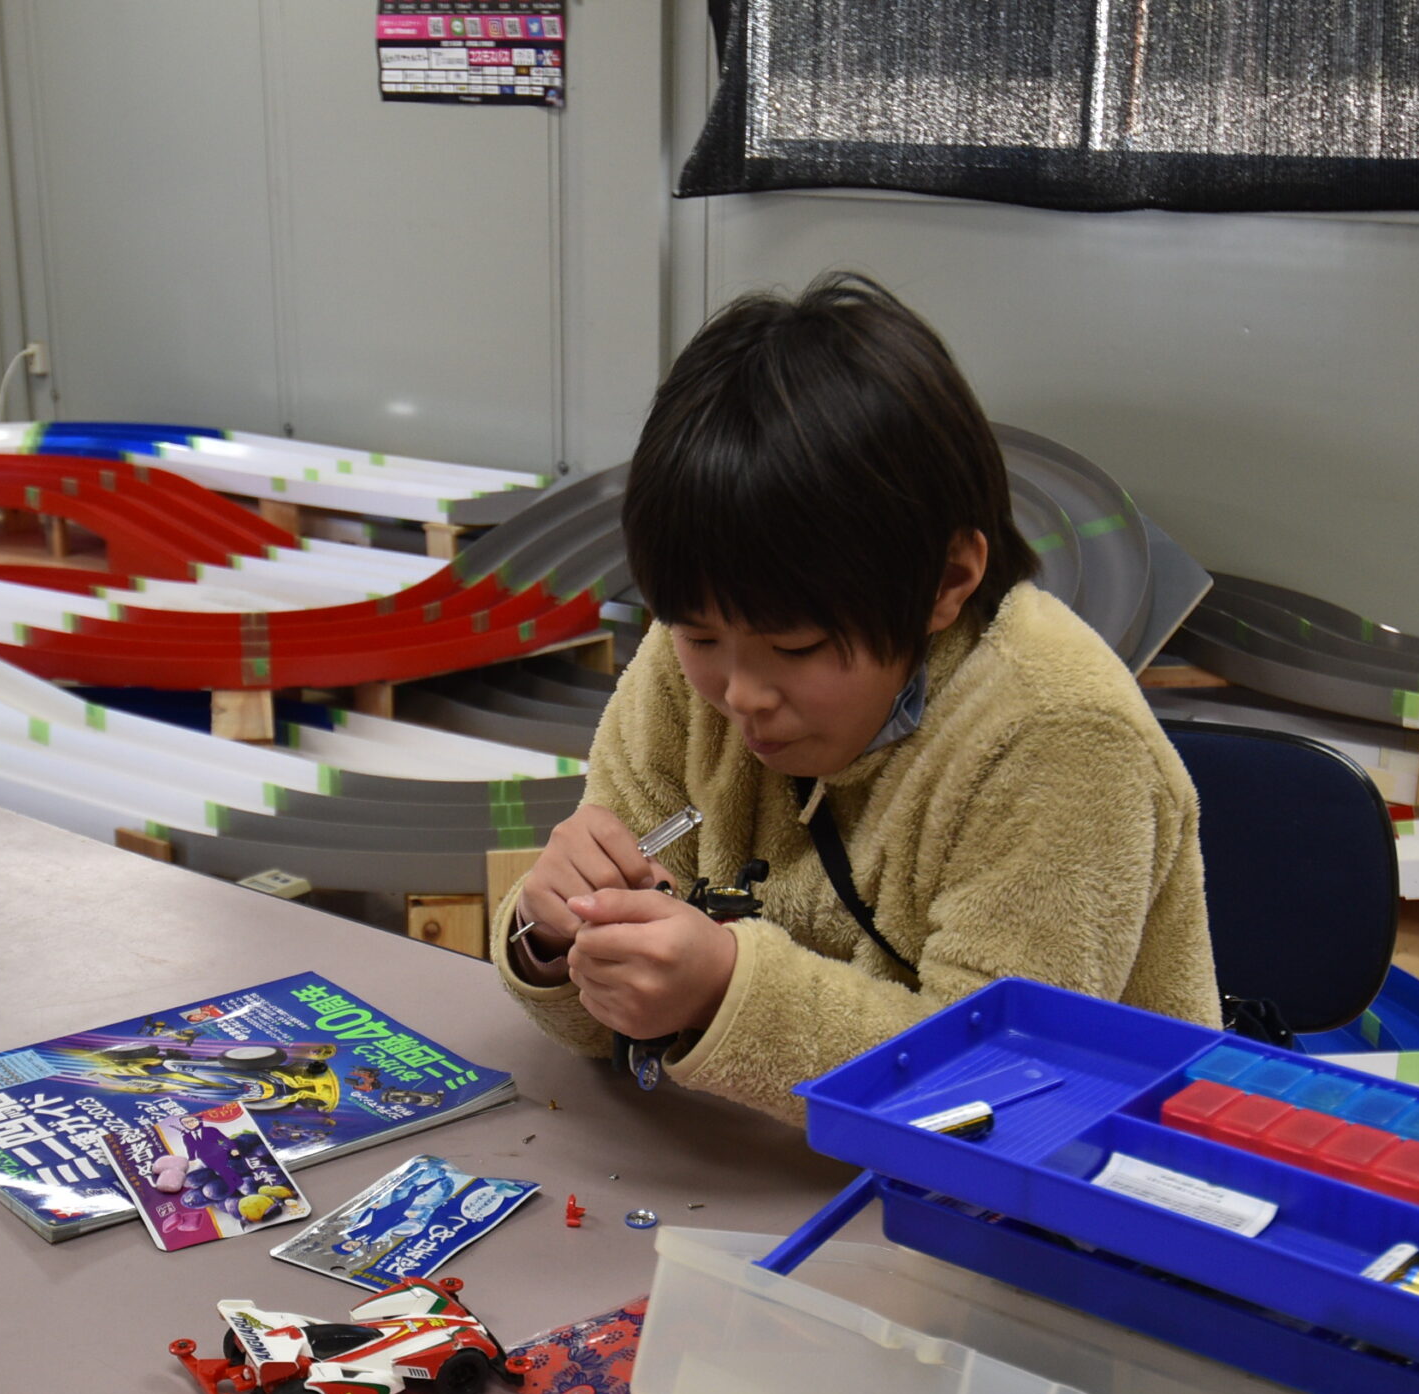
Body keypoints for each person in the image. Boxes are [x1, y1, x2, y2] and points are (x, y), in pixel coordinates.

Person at [493, 274, 1217, 1124]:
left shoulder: (1059, 735)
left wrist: (725, 990)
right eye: (699, 636)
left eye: (796, 647)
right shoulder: (691, 665)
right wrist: (554, 938)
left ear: (945, 581)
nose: (741, 694)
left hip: (1085, 1180)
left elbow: (1001, 1095)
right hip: (761, 1166)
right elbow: (616, 1023)